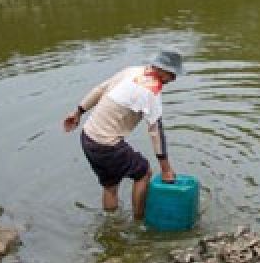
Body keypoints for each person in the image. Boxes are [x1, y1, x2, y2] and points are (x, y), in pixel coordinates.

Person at [63, 51, 183, 219]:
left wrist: (78, 112)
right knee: (143, 172)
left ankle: (111, 221)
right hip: (106, 145)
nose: (173, 79)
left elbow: (100, 89)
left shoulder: (132, 71)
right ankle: (139, 219)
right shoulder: (152, 91)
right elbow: (156, 131)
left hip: (88, 136)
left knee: (110, 186)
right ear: (162, 70)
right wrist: (166, 169)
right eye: (172, 74)